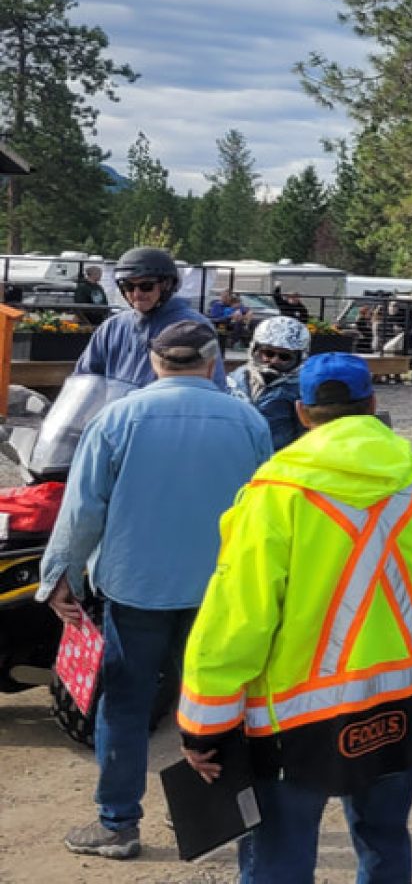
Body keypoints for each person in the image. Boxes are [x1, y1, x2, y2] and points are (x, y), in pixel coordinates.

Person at [177, 354, 412, 883]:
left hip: (293, 722)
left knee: (279, 860)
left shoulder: (274, 493)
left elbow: (238, 617)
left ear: (303, 413)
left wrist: (204, 724)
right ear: (373, 406)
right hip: (396, 705)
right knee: (385, 842)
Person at [38, 320, 273, 860]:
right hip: (221, 590)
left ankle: (118, 825)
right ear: (214, 362)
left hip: (136, 588)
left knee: (124, 704)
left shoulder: (117, 417)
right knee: (220, 698)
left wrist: (59, 576)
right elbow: (266, 511)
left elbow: (82, 509)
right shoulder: (249, 421)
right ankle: (228, 819)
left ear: (154, 363)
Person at [75, 247, 227, 389]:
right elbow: (84, 381)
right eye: (128, 286)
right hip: (121, 415)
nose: (136, 294)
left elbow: (214, 386)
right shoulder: (112, 327)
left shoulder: (195, 328)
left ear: (167, 285)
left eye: (146, 286)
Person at [230, 316, 314, 450]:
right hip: (237, 454)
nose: (274, 361)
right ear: (255, 349)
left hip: (277, 460)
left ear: (299, 357)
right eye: (268, 353)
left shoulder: (301, 390)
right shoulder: (234, 379)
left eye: (284, 356)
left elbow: (305, 435)